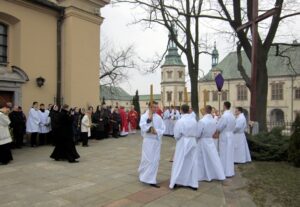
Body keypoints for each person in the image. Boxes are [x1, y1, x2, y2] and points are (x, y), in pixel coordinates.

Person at [169, 104, 199, 190]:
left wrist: (178, 138)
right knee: (192, 162)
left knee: (179, 161)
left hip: (183, 141)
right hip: (192, 141)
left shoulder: (180, 121)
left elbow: (176, 135)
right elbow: (197, 131)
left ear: (181, 110)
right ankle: (192, 183)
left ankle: (176, 181)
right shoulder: (194, 120)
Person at [138, 101, 165, 188]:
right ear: (150, 107)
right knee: (147, 159)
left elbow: (163, 128)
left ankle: (152, 179)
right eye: (154, 107)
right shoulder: (144, 116)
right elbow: (142, 126)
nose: (156, 109)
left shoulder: (158, 117)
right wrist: (149, 124)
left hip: (156, 141)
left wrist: (157, 131)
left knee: (155, 160)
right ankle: (144, 176)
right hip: (148, 141)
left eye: (157, 107)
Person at [197, 105, 225, 181]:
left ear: (205, 110)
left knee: (201, 159)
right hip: (210, 140)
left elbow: (198, 133)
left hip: (202, 141)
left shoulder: (202, 121)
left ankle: (202, 175)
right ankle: (214, 173)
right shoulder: (213, 120)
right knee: (212, 158)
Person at [216, 101, 236, 177]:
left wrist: (217, 124)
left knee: (224, 153)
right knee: (230, 154)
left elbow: (219, 126)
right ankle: (230, 171)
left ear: (224, 106)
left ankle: (224, 171)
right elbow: (234, 125)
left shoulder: (225, 116)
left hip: (225, 135)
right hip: (231, 134)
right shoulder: (232, 115)